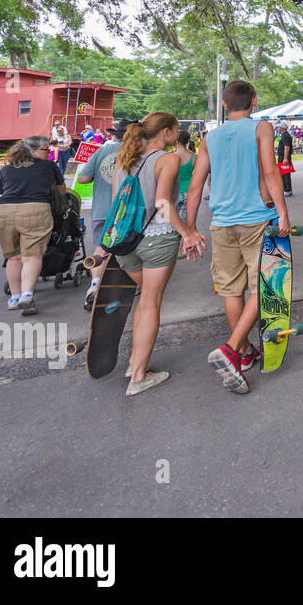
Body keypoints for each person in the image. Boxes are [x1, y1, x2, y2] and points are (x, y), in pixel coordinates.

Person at [187, 80, 289, 395]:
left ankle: (245, 354)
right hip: (257, 219)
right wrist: (283, 211)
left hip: (221, 224)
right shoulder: (261, 129)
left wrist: (190, 229)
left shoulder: (210, 137)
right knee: (265, 287)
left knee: (232, 290)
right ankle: (232, 350)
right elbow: (271, 172)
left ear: (226, 105)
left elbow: (194, 185)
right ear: (254, 102)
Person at [110, 113, 207, 397]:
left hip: (125, 242)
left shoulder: (124, 159)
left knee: (144, 300)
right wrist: (187, 233)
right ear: (166, 132)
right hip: (156, 239)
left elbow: (118, 204)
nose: (178, 134)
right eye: (177, 129)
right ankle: (139, 376)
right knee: (151, 302)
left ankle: (134, 362)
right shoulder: (168, 159)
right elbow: (162, 203)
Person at [0, 136, 66, 311]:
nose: (48, 153)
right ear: (32, 151)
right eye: (45, 150)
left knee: (13, 257)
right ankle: (27, 295)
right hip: (35, 210)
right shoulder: (49, 166)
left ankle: (14, 297)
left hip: (4, 211)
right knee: (31, 256)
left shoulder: (7, 168)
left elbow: (4, 191)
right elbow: (62, 191)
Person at [75, 118, 132, 309]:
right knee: (129, 248)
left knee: (102, 247)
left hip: (101, 209)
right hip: (126, 210)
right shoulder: (136, 152)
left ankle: (95, 286)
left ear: (115, 135)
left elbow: (83, 179)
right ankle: (123, 288)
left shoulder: (101, 151)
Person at [275, 122, 294, 197]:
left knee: (285, 174)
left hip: (284, 157)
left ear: (282, 128)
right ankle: (286, 189)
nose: (277, 128)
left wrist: (285, 158)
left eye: (278, 127)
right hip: (283, 157)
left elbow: (287, 147)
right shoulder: (285, 135)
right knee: (283, 174)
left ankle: (287, 190)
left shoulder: (285, 136)